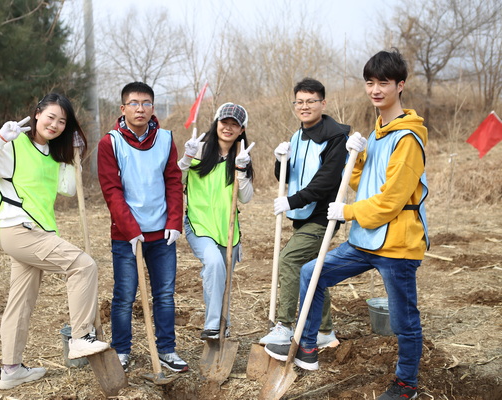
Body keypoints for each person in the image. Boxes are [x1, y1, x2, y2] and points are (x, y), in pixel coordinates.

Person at [265, 49, 429, 400]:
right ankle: (308, 344)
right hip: (365, 239)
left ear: (400, 86)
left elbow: (390, 201)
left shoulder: (407, 139)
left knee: (404, 320)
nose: (375, 89)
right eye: (370, 82)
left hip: (396, 244)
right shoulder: (378, 133)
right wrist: (356, 160)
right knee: (312, 273)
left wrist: (347, 212)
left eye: (384, 82)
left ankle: (406, 384)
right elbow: (358, 183)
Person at [0, 93, 109, 390]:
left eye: (62, 122)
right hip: (18, 229)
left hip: (39, 232)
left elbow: (68, 189)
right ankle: (81, 337)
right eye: (51, 117)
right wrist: (0, 138)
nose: (55, 124)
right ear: (38, 114)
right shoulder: (14, 147)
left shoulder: (53, 154)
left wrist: (73, 157)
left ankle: (11, 370)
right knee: (83, 265)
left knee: (21, 303)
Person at [97, 82, 188, 373]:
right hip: (126, 236)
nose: (140, 108)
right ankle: (122, 350)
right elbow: (111, 190)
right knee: (124, 295)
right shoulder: (109, 143)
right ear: (123, 109)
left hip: (162, 234)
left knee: (164, 294)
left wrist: (174, 221)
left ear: (153, 108)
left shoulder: (165, 139)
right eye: (134, 103)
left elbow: (174, 181)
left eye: (146, 103)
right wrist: (130, 228)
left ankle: (166, 350)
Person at [259, 78, 349, 348]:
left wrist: (292, 201)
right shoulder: (297, 135)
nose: (305, 106)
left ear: (323, 103)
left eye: (311, 101)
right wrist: (280, 159)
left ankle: (285, 326)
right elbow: (284, 176)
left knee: (289, 260)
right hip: (302, 216)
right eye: (300, 102)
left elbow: (327, 182)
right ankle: (324, 331)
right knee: (314, 270)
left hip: (323, 216)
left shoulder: (335, 137)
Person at [178, 103, 255, 340]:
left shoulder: (241, 157)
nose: (228, 128)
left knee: (223, 280)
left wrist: (241, 169)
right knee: (213, 264)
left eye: (235, 124)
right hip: (199, 224)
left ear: (241, 130)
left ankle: (223, 327)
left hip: (228, 230)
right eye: (225, 122)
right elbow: (175, 178)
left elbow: (246, 197)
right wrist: (186, 157)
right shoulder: (199, 150)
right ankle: (212, 326)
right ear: (216, 122)